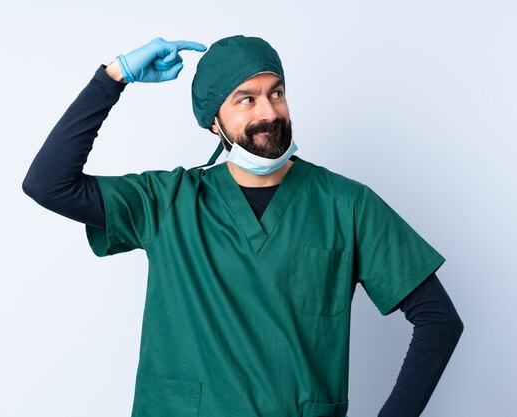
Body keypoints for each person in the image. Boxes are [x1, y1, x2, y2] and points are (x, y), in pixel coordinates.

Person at [23, 35, 463, 417]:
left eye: (277, 93)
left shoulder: (346, 204)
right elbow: (48, 183)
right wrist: (113, 77)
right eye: (245, 99)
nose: (268, 112)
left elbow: (439, 321)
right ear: (215, 121)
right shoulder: (168, 201)